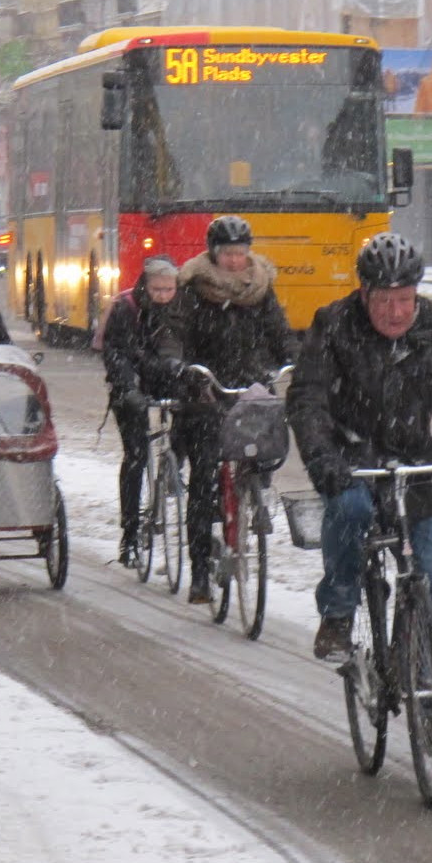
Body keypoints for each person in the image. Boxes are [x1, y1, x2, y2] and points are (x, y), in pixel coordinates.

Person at [288, 233, 432, 752]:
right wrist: (322, 458)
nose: (397, 311)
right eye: (384, 300)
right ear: (364, 295)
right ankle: (338, 612)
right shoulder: (333, 326)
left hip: (413, 464)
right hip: (352, 460)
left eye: (405, 299)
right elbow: (308, 399)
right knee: (351, 508)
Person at [157, 215, 294, 605]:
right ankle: (200, 570)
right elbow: (173, 335)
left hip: (249, 389)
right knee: (203, 479)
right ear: (213, 255)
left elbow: (279, 331)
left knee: (263, 450)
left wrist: (293, 359)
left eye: (240, 252)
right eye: (228, 253)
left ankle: (254, 494)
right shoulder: (193, 289)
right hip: (208, 390)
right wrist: (180, 366)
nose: (235, 260)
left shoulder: (262, 289)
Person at [101, 256, 181, 568]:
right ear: (145, 286)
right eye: (158, 289)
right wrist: (127, 388)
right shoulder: (127, 309)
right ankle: (130, 535)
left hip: (167, 380)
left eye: (169, 289)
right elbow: (116, 353)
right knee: (135, 456)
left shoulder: (183, 309)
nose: (163, 295)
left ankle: (174, 475)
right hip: (130, 385)